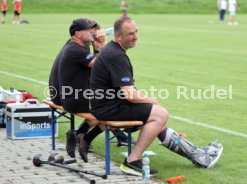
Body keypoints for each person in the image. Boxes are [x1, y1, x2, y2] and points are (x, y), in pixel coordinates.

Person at [90, 16, 223, 176]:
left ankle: (196, 154)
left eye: (136, 32)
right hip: (108, 108)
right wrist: (153, 100)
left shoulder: (112, 50)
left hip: (107, 104)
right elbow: (130, 94)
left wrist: (148, 104)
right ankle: (132, 161)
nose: (135, 36)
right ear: (118, 36)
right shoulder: (116, 55)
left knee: (155, 118)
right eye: (130, 34)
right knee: (160, 114)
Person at [48, 18, 132, 163]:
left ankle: (80, 135)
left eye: (94, 29)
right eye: (90, 30)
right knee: (113, 106)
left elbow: (96, 66)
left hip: (70, 95)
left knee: (110, 102)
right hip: (71, 98)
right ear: (78, 33)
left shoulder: (76, 46)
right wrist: (104, 44)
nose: (94, 32)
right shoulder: (76, 50)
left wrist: (97, 47)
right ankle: (83, 137)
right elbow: (103, 66)